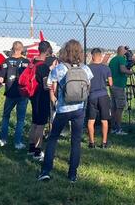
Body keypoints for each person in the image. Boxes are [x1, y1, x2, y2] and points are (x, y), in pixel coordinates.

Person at [38, 39, 93, 183]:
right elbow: (88, 87)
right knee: (75, 141)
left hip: (63, 108)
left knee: (53, 138)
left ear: (65, 51)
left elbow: (51, 86)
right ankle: (72, 174)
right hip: (79, 109)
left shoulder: (60, 68)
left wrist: (55, 98)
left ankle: (46, 170)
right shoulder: (85, 69)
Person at [0, 41, 30, 149]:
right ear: (22, 49)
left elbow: (1, 79)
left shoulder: (6, 61)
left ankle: (3, 139)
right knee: (20, 119)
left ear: (12, 49)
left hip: (10, 93)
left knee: (6, 117)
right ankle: (17, 142)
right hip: (22, 93)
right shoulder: (26, 62)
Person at [27, 41, 54, 160]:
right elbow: (45, 85)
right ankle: (38, 151)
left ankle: (31, 147)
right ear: (47, 50)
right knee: (41, 125)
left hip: (33, 96)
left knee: (34, 122)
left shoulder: (32, 63)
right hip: (42, 96)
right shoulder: (43, 67)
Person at [108, 46, 135, 135]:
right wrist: (132, 72)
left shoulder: (113, 60)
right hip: (119, 86)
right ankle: (118, 129)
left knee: (114, 107)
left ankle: (113, 128)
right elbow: (122, 70)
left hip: (113, 85)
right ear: (122, 51)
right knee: (120, 107)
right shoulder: (121, 59)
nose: (127, 52)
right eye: (126, 50)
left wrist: (128, 68)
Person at [86, 48, 113, 149]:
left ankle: (91, 143)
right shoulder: (106, 68)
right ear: (100, 56)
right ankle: (104, 142)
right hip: (103, 95)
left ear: (92, 56)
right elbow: (110, 83)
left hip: (92, 95)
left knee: (91, 119)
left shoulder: (87, 68)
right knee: (104, 120)